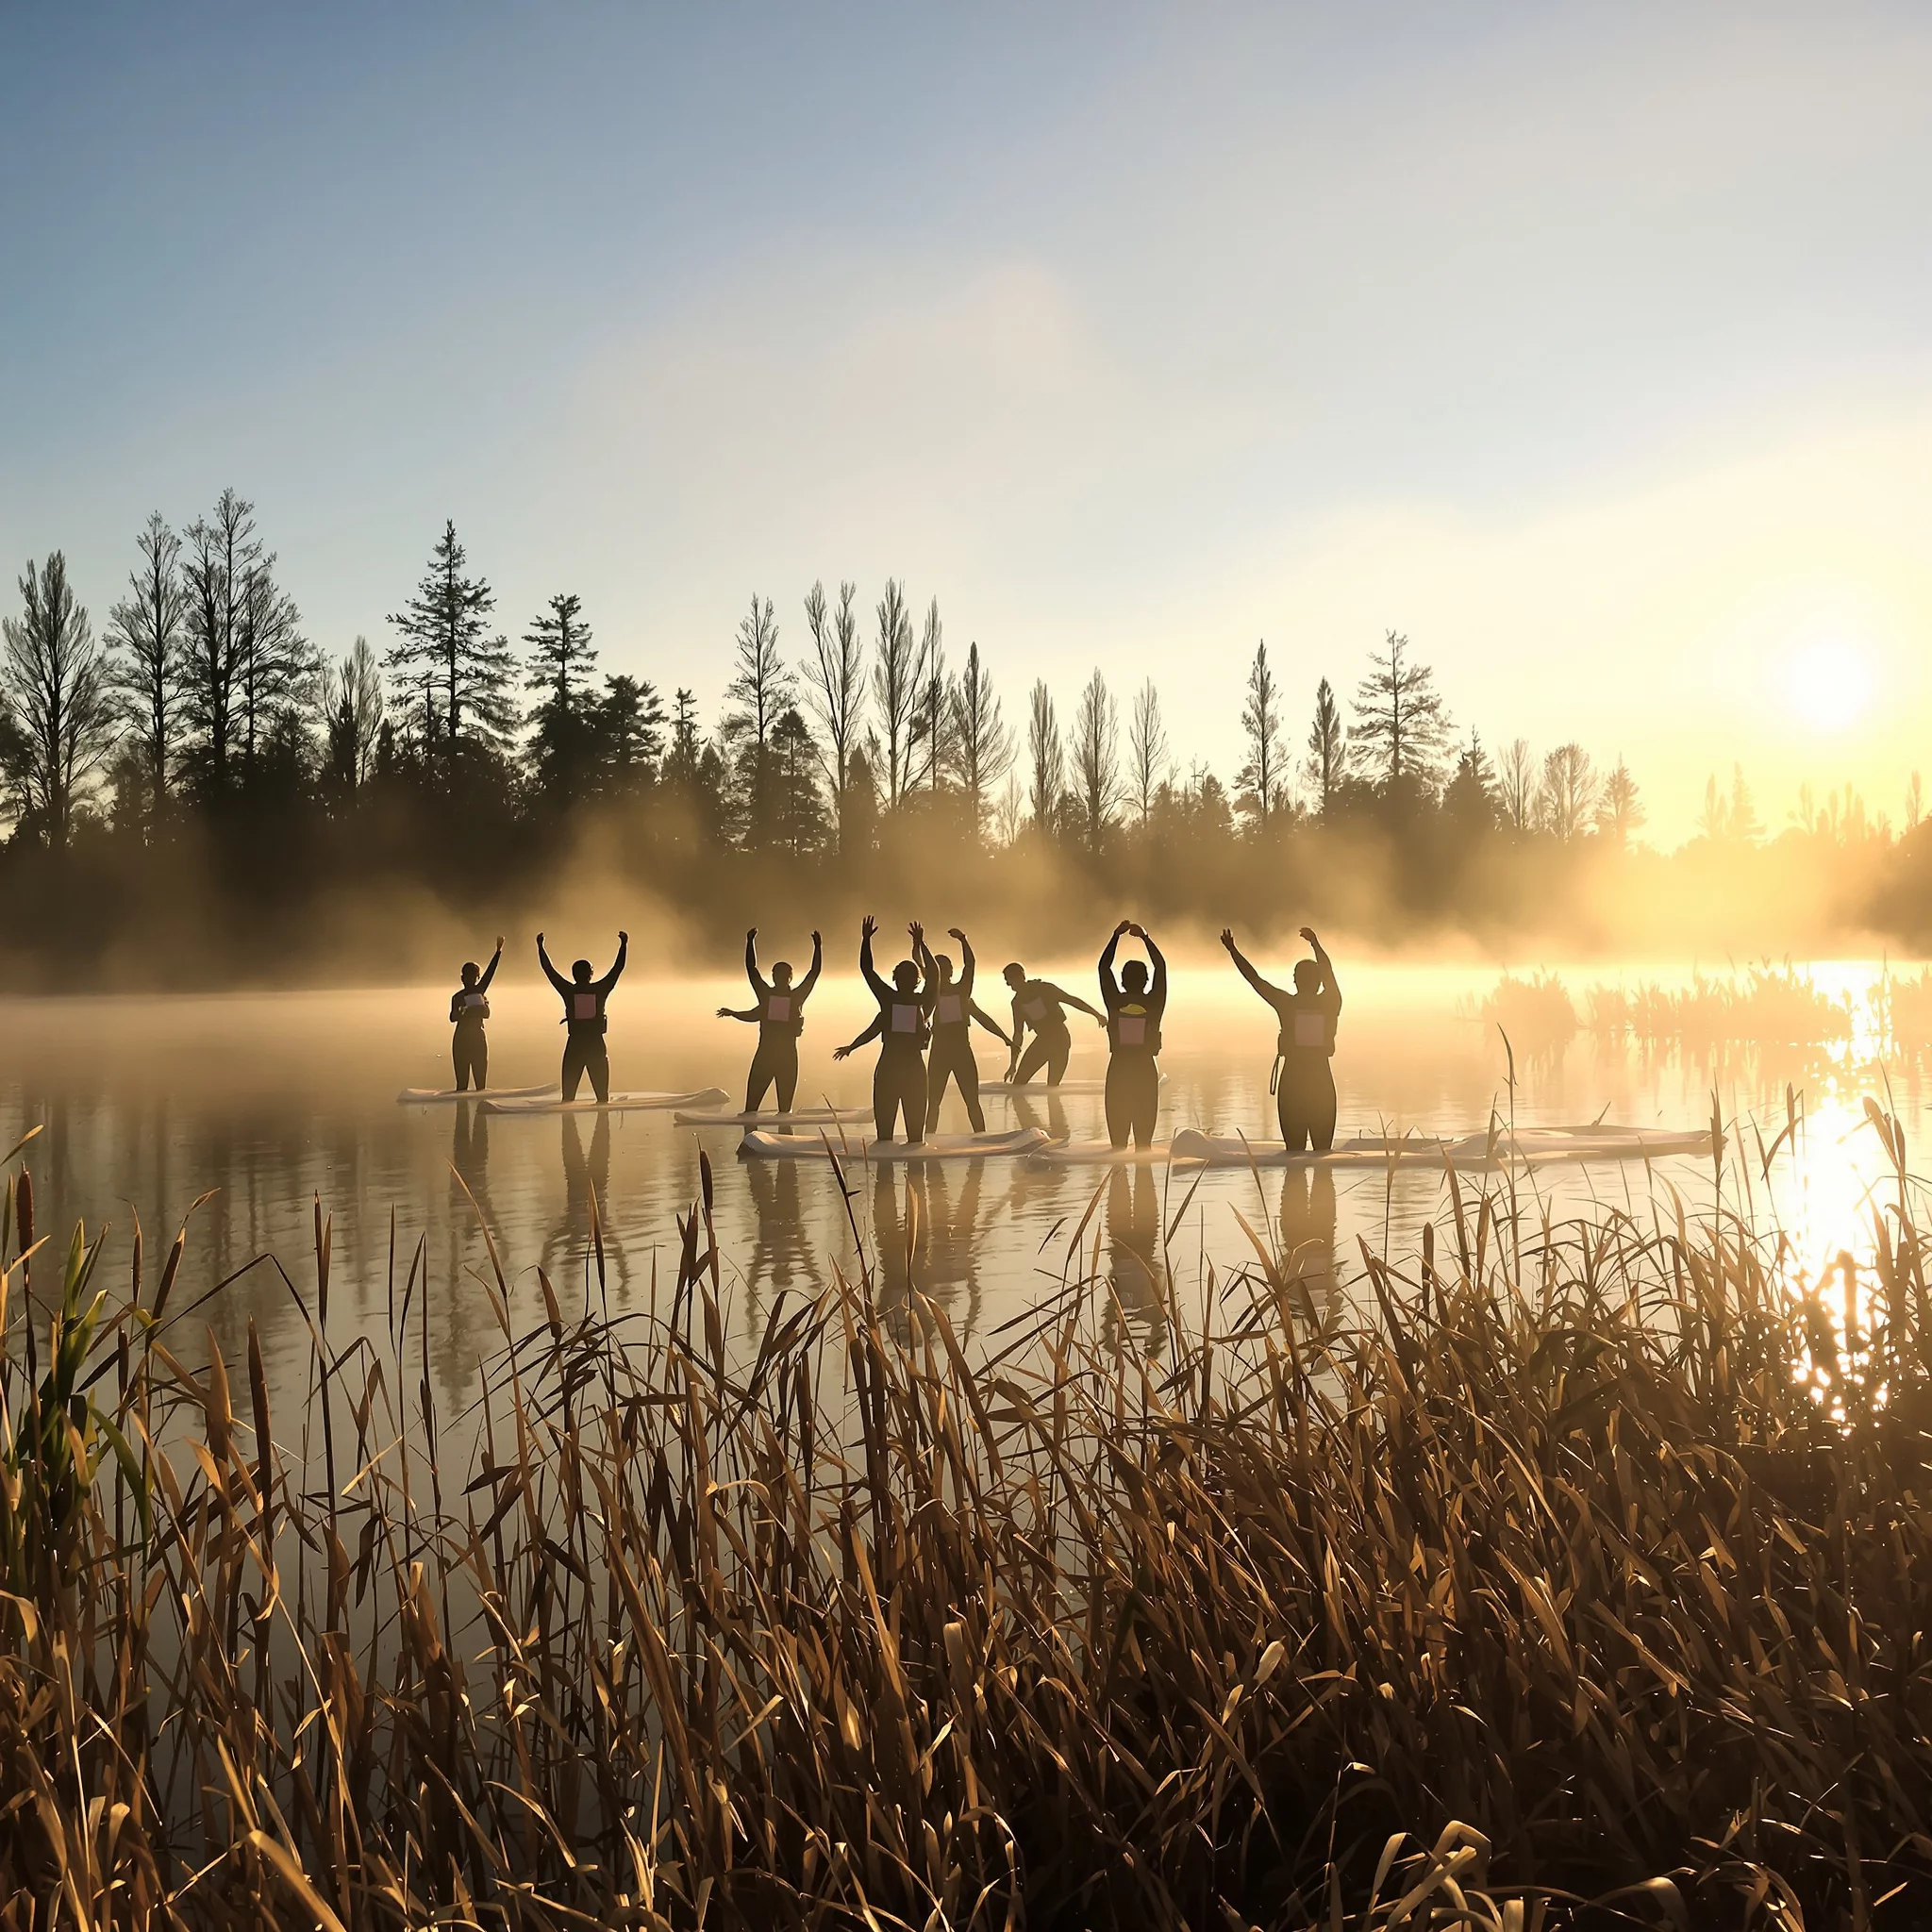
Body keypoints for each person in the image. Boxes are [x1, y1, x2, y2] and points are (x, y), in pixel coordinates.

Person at [1221, 924, 1342, 1151]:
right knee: (1323, 1155)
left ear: (1295, 981)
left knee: (1293, 1156)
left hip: (1293, 1084)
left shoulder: (1286, 1004)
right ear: (1319, 983)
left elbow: (1255, 980)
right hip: (1321, 1082)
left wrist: (1233, 951)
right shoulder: (1330, 1002)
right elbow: (1329, 975)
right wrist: (1315, 944)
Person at [833, 916, 935, 1142]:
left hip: (898, 1070)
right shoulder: (911, 1001)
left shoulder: (901, 1000)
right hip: (901, 1070)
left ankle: (887, 1177)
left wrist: (866, 940)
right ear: (898, 980)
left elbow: (867, 970)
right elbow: (934, 975)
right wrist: (921, 943)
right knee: (904, 1139)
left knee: (894, 1139)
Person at [717, 926, 823, 1113]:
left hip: (787, 1057)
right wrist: (750, 943)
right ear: (773, 976)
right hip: (766, 1055)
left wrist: (818, 947)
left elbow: (814, 973)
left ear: (789, 978)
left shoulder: (796, 997)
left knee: (784, 1111)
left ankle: (783, 1134)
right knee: (751, 1109)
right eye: (775, 973)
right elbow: (752, 969)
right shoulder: (767, 994)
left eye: (781, 974)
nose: (777, 977)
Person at [921, 927, 1011, 1133]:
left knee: (971, 1101)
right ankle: (927, 1140)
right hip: (941, 1051)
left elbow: (970, 966)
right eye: (937, 970)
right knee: (933, 1102)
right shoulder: (932, 993)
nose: (942, 973)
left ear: (950, 972)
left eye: (944, 969)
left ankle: (981, 1137)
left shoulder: (963, 993)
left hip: (961, 1051)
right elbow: (921, 963)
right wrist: (920, 943)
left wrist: (963, 940)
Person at [1098, 920, 1168, 1149]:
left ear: (1121, 981)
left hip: (1119, 1069)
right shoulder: (1154, 1003)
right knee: (1143, 1146)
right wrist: (1145, 938)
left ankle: (1116, 1182)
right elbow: (1161, 967)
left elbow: (1103, 968)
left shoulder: (1114, 1002)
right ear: (1147, 981)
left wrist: (1116, 935)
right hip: (1145, 1070)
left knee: (1118, 1146)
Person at [537, 929, 628, 1103]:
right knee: (602, 1099)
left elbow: (548, 970)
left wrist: (540, 947)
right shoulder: (600, 989)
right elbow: (618, 968)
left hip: (575, 1046)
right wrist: (623, 945)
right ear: (591, 974)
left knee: (568, 1098)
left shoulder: (568, 991)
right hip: (595, 1045)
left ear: (574, 975)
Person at [1001, 960, 1106, 1087]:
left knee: (1053, 1086)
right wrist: (1013, 1065)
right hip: (1043, 1041)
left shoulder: (1045, 989)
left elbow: (1071, 1000)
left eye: (1009, 980)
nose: (1008, 984)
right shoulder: (1017, 1003)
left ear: (1020, 976)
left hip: (1060, 1039)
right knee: (1018, 1083)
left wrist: (1096, 1014)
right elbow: (1018, 1034)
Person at [447, 936, 504, 1091]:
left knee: (481, 1087)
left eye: (473, 977)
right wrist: (465, 1010)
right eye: (467, 977)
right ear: (462, 978)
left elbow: (490, 973)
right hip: (461, 1042)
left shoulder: (480, 992)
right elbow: (452, 1017)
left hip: (478, 1040)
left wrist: (498, 951)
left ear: (477, 978)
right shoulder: (457, 997)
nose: (470, 980)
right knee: (461, 1086)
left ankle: (481, 1112)